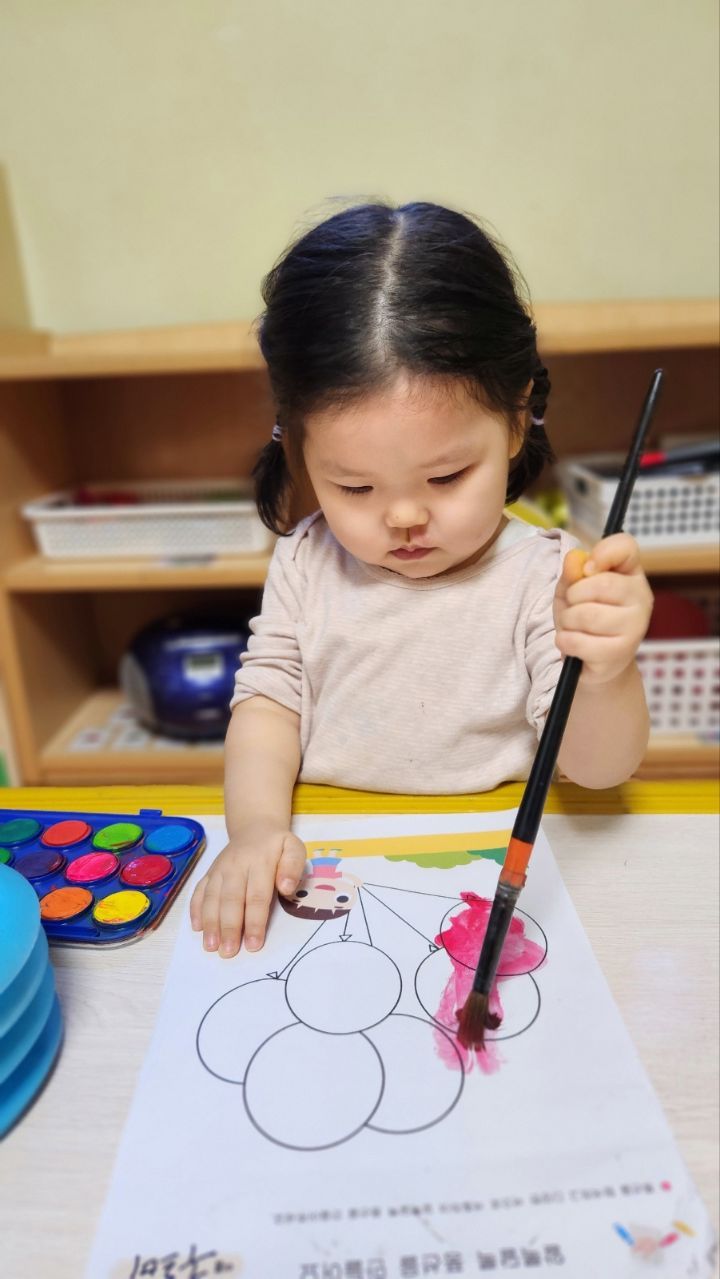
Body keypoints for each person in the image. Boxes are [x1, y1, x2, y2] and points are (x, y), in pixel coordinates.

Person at [190, 200, 653, 959]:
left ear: (517, 420)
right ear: (297, 446)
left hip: (492, 867)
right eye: (354, 486)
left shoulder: (547, 574)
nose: (404, 516)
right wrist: (257, 829)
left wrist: (604, 673)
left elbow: (599, 771)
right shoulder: (307, 560)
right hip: (329, 859)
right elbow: (270, 705)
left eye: (446, 476)